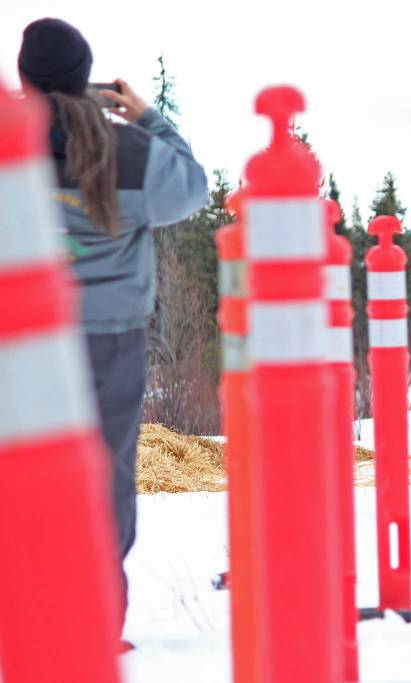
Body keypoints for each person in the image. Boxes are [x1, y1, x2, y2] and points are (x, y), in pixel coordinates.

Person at [18, 18, 208, 640]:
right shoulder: (125, 149)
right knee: (105, 477)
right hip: (109, 341)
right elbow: (191, 186)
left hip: (19, 337)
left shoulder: (7, 139)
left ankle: (23, 621)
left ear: (24, 79)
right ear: (86, 78)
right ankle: (94, 624)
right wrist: (147, 118)